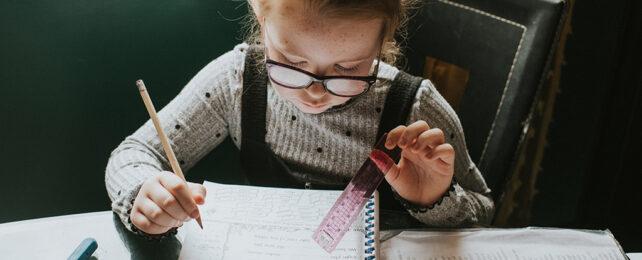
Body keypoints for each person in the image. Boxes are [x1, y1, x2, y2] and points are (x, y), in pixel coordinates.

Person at [106, 0, 494, 238]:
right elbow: (133, 153)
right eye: (291, 63)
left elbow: (484, 214)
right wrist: (143, 191)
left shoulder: (415, 108)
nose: (315, 91)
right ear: (258, 10)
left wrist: (433, 200)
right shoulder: (237, 81)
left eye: (348, 67)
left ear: (384, 36)